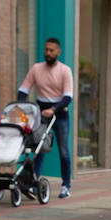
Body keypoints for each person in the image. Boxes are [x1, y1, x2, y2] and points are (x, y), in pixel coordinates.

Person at [18, 38, 74, 198]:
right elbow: (23, 89)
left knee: (63, 151)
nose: (48, 53)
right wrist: (20, 106)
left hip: (60, 114)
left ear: (58, 52)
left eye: (51, 50)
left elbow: (68, 97)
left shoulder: (65, 71)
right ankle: (34, 184)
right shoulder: (36, 69)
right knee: (38, 148)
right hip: (41, 113)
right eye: (46, 50)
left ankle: (66, 185)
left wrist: (53, 109)